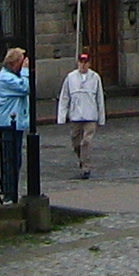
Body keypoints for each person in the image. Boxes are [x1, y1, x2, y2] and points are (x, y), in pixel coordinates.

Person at [58, 48, 106, 179]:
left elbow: (100, 99)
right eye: (81, 62)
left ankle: (86, 167)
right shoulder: (71, 77)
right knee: (76, 142)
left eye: (85, 62)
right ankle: (82, 159)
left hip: (90, 115)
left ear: (89, 63)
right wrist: (62, 116)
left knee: (86, 141)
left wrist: (101, 118)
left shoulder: (95, 77)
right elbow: (64, 97)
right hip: (75, 115)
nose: (83, 65)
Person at [0, 47, 31, 203]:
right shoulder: (6, 77)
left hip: (16, 124)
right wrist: (25, 71)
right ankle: (9, 193)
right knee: (10, 160)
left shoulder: (13, 75)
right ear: (14, 63)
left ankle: (12, 191)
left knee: (16, 160)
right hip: (8, 124)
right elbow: (26, 88)